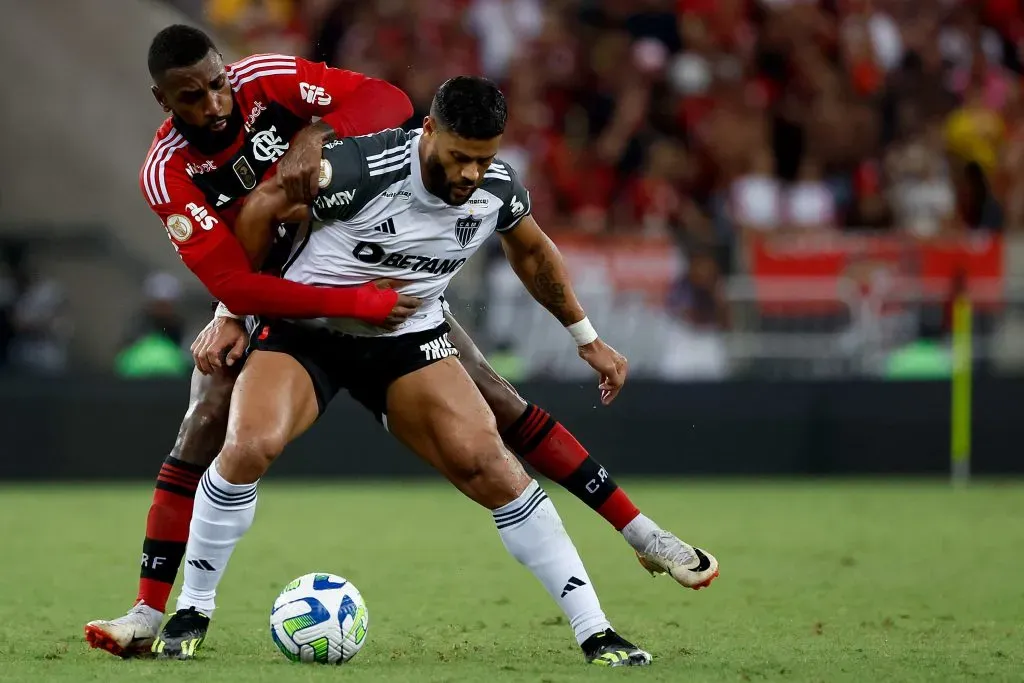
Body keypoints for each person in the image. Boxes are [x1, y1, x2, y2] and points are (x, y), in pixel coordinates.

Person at [85, 28, 717, 661]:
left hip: (402, 322)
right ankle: (164, 612)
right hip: (282, 303)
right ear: (163, 101)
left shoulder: (278, 88)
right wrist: (240, 306)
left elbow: (385, 102)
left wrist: (313, 133)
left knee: (497, 438)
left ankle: (616, 587)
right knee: (218, 433)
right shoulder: (176, 172)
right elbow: (241, 257)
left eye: (217, 85)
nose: (215, 104)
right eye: (192, 97)